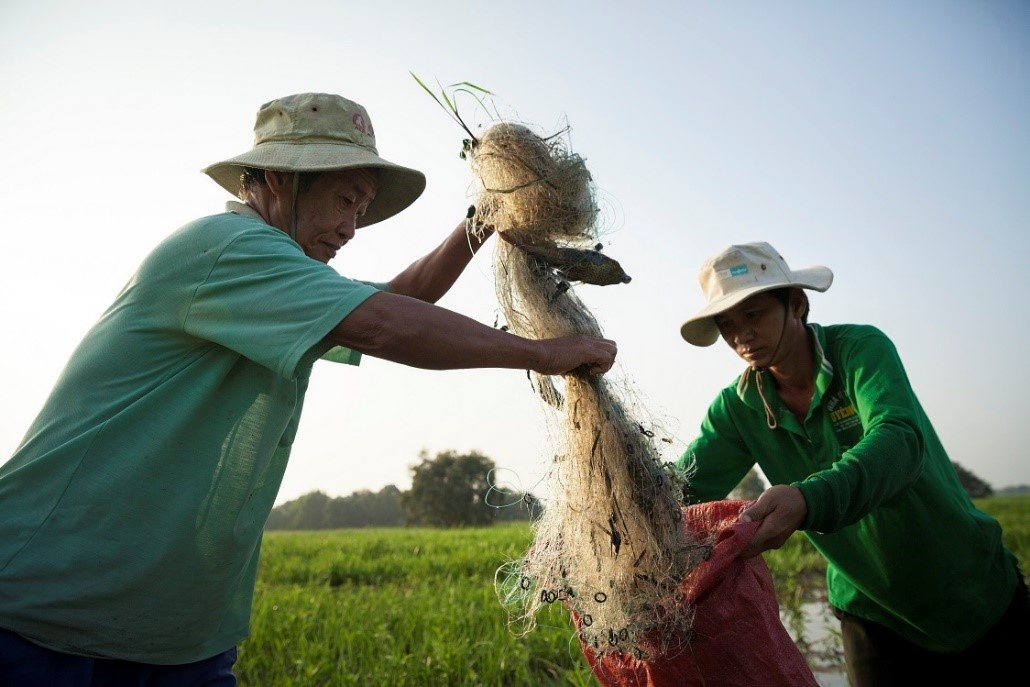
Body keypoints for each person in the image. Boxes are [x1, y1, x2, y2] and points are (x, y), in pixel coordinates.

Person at [0, 92, 617, 685]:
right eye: (345, 200)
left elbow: (396, 303)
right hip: (49, 610)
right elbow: (382, 325)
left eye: (361, 208)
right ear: (278, 180)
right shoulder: (226, 248)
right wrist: (540, 354)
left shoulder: (278, 282)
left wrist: (477, 226)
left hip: (180, 632)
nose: (352, 227)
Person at [676, 241, 1030, 685]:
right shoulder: (738, 408)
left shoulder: (859, 351)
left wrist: (808, 499)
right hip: (872, 614)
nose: (741, 335)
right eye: (727, 325)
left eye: (753, 315)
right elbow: (680, 489)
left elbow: (899, 441)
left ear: (797, 304)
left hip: (972, 588)